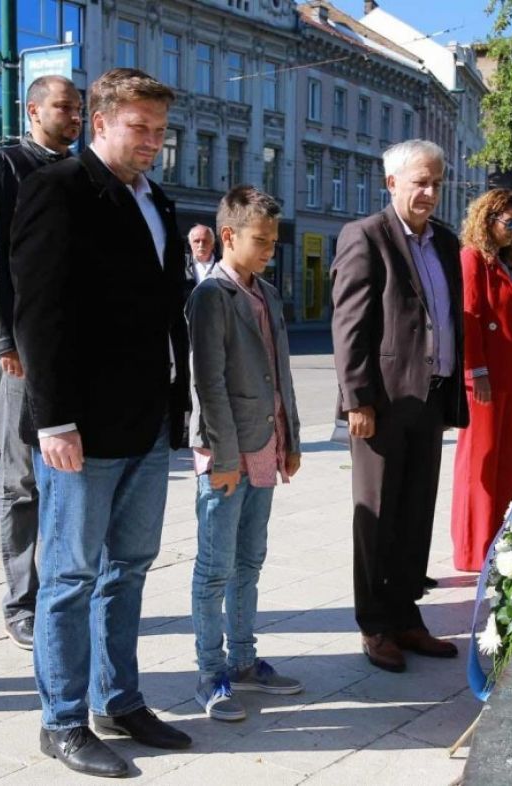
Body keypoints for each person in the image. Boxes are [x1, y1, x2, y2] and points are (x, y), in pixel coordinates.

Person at [11, 67, 192, 777]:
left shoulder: (159, 201)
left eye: (159, 130)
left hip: (145, 421)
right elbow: (39, 312)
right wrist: (53, 420)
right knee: (69, 574)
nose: (151, 141)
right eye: (138, 128)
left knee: (130, 569)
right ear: (100, 124)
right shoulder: (58, 189)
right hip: (79, 429)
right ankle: (61, 720)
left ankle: (119, 699)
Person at [331, 139, 468, 674]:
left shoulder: (445, 242)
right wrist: (357, 400)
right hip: (383, 405)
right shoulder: (365, 236)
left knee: (415, 515)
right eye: (420, 182)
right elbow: (350, 325)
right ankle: (375, 624)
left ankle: (407, 614)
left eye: (436, 182)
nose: (430, 192)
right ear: (392, 184)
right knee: (378, 517)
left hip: (430, 398)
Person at [0, 74, 82, 650]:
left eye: (80, 107)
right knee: (21, 482)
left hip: (74, 352)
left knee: (70, 478)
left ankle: (62, 590)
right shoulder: (7, 165)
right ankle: (20, 600)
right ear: (33, 110)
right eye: (64, 106)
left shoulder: (83, 171)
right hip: (24, 351)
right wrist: (4, 341)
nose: (75, 116)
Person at [187, 186, 303, 722]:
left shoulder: (268, 294)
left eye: (274, 242)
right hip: (227, 455)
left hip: (265, 449)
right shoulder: (212, 296)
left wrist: (292, 440)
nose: (269, 251)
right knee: (215, 569)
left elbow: (281, 375)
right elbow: (208, 384)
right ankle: (211, 674)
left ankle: (245, 661)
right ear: (228, 236)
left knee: (249, 562)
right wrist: (226, 458)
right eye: (261, 241)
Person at [450, 189, 512, 573]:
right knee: (480, 463)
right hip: (484, 379)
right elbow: (469, 317)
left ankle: (498, 539)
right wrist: (477, 372)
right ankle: (473, 547)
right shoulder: (471, 259)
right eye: (509, 222)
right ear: (487, 219)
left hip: (508, 378)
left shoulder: (507, 264)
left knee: (505, 461)